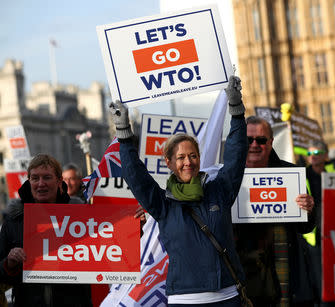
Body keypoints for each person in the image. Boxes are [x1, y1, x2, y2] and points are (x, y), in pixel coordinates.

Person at [109, 76, 247, 306]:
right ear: (169, 163)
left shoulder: (219, 191)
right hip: (184, 298)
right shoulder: (163, 204)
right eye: (180, 157)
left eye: (193, 156)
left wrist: (237, 111)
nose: (188, 162)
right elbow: (137, 177)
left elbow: (235, 156)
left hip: (228, 296)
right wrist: (124, 132)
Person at [234, 116, 316, 307]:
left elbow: (305, 227)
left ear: (271, 142)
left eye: (261, 140)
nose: (255, 145)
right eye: (248, 140)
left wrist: (309, 209)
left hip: (283, 272)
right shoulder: (227, 178)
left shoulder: (291, 174)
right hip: (244, 272)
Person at [0, 154, 92, 306]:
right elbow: (1, 275)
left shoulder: (82, 219)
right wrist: (9, 264)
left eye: (47, 177)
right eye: (35, 178)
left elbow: (115, 252)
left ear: (59, 181)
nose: (41, 184)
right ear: (29, 181)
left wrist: (137, 225)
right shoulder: (14, 221)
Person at [299, 140, 335, 307]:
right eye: (309, 154)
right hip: (314, 237)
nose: (312, 157)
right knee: (322, 285)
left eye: (316, 153)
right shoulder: (301, 174)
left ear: (325, 155)